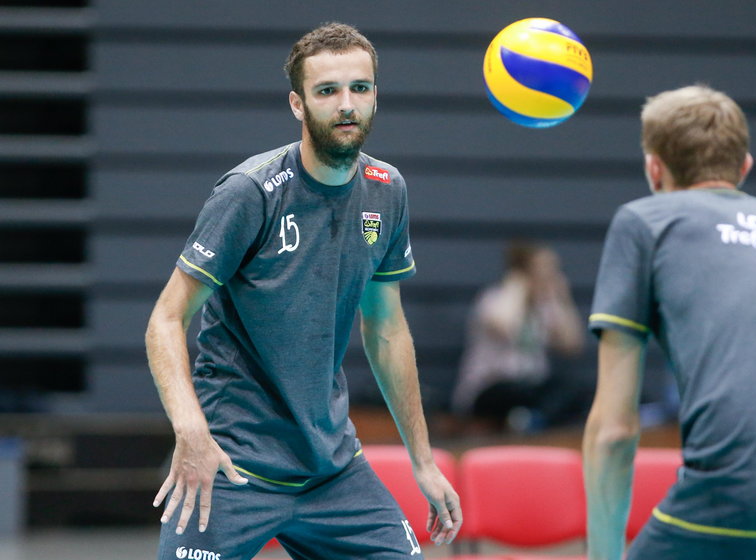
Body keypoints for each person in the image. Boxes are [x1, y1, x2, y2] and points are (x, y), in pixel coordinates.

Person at [145, 22, 461, 560]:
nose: (346, 105)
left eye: (360, 88)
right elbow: (166, 320)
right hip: (230, 463)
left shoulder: (387, 191)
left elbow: (385, 329)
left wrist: (423, 461)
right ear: (298, 104)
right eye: (327, 91)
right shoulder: (250, 193)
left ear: (375, 96)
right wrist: (190, 430)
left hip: (331, 469)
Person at [583, 84, 756, 560]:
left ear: (653, 168)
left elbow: (614, 431)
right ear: (744, 168)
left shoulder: (646, 221)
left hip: (734, 502)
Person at [451, 242, 585, 432]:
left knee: (569, 390)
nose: (549, 276)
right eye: (544, 270)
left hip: (530, 387)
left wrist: (561, 298)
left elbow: (572, 345)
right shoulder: (493, 299)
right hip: (491, 388)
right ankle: (529, 418)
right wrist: (517, 286)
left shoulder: (544, 308)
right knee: (514, 391)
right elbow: (507, 327)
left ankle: (533, 420)